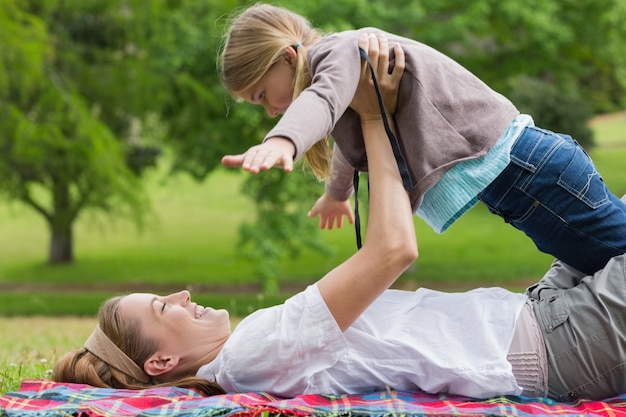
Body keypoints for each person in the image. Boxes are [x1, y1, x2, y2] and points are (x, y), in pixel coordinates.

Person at [53, 36, 626, 402]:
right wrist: (374, 117)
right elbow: (394, 251)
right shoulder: (254, 351)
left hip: (542, 313)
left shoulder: (257, 349)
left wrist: (348, 171)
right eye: (162, 308)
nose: (179, 294)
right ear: (162, 361)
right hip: (559, 346)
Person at [218, 3, 626, 276]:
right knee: (607, 272)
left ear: (288, 58)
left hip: (529, 173)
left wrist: (283, 141)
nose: (270, 110)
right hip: (523, 181)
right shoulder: (342, 69)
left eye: (260, 96)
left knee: (616, 264)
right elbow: (349, 142)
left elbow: (320, 102)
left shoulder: (339, 51)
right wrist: (338, 194)